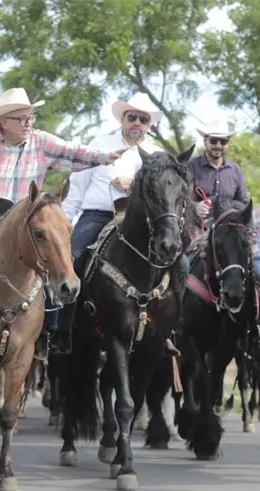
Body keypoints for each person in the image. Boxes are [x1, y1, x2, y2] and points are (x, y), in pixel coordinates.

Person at [0, 87, 127, 351]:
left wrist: (103, 157)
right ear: (4, 122)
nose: (29, 123)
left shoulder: (41, 142)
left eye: (31, 118)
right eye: (22, 119)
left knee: (56, 265)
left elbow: (73, 152)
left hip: (23, 222)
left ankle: (47, 333)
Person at [51, 92, 164, 354]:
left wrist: (133, 186)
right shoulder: (99, 144)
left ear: (150, 124)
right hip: (96, 215)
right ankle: (61, 330)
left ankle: (167, 331)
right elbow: (76, 188)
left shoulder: (157, 155)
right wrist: (64, 225)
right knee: (73, 261)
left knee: (172, 266)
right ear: (123, 118)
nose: (137, 123)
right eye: (132, 117)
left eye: (143, 119)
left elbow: (160, 195)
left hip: (137, 222)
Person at [187, 118, 249, 224]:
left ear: (228, 143)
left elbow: (243, 203)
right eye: (214, 140)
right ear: (205, 141)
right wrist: (195, 207)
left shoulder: (235, 170)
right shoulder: (192, 166)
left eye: (223, 141)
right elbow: (181, 199)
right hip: (198, 230)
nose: (218, 146)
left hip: (228, 231)